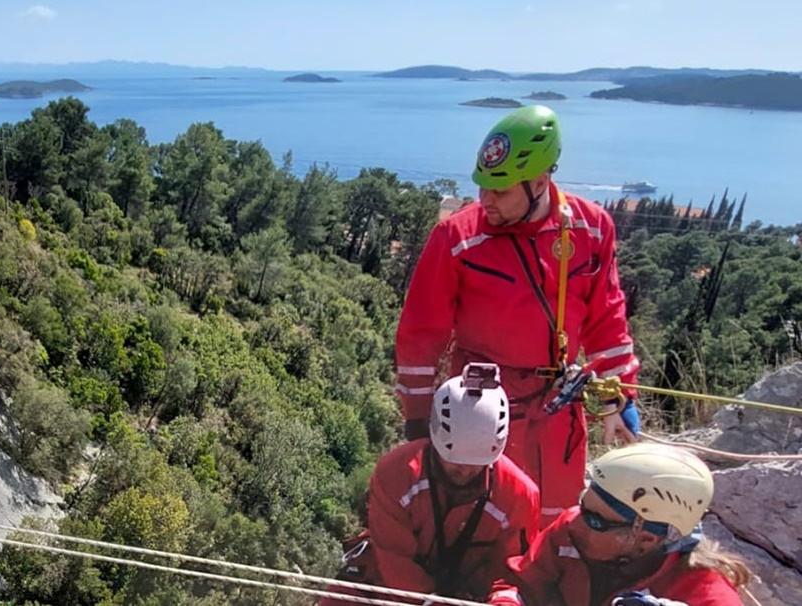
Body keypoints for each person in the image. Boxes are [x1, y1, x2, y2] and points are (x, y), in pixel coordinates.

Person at [394, 104, 641, 528]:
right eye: (482, 186)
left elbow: (607, 318)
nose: (485, 199)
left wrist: (622, 396)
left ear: (540, 182)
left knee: (554, 518)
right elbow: (420, 334)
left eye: (500, 189)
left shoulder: (591, 229)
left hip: (559, 409)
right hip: (481, 409)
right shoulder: (459, 237)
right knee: (487, 522)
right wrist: (418, 420)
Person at [319, 363, 540, 604]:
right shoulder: (396, 474)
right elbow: (394, 560)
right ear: (435, 440)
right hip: (392, 589)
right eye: (453, 460)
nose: (465, 469)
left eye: (476, 463)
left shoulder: (519, 495)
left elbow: (512, 573)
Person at [488, 442, 751, 606]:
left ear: (647, 539)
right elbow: (521, 584)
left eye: (595, 520)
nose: (576, 521)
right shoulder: (569, 532)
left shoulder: (704, 595)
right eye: (583, 505)